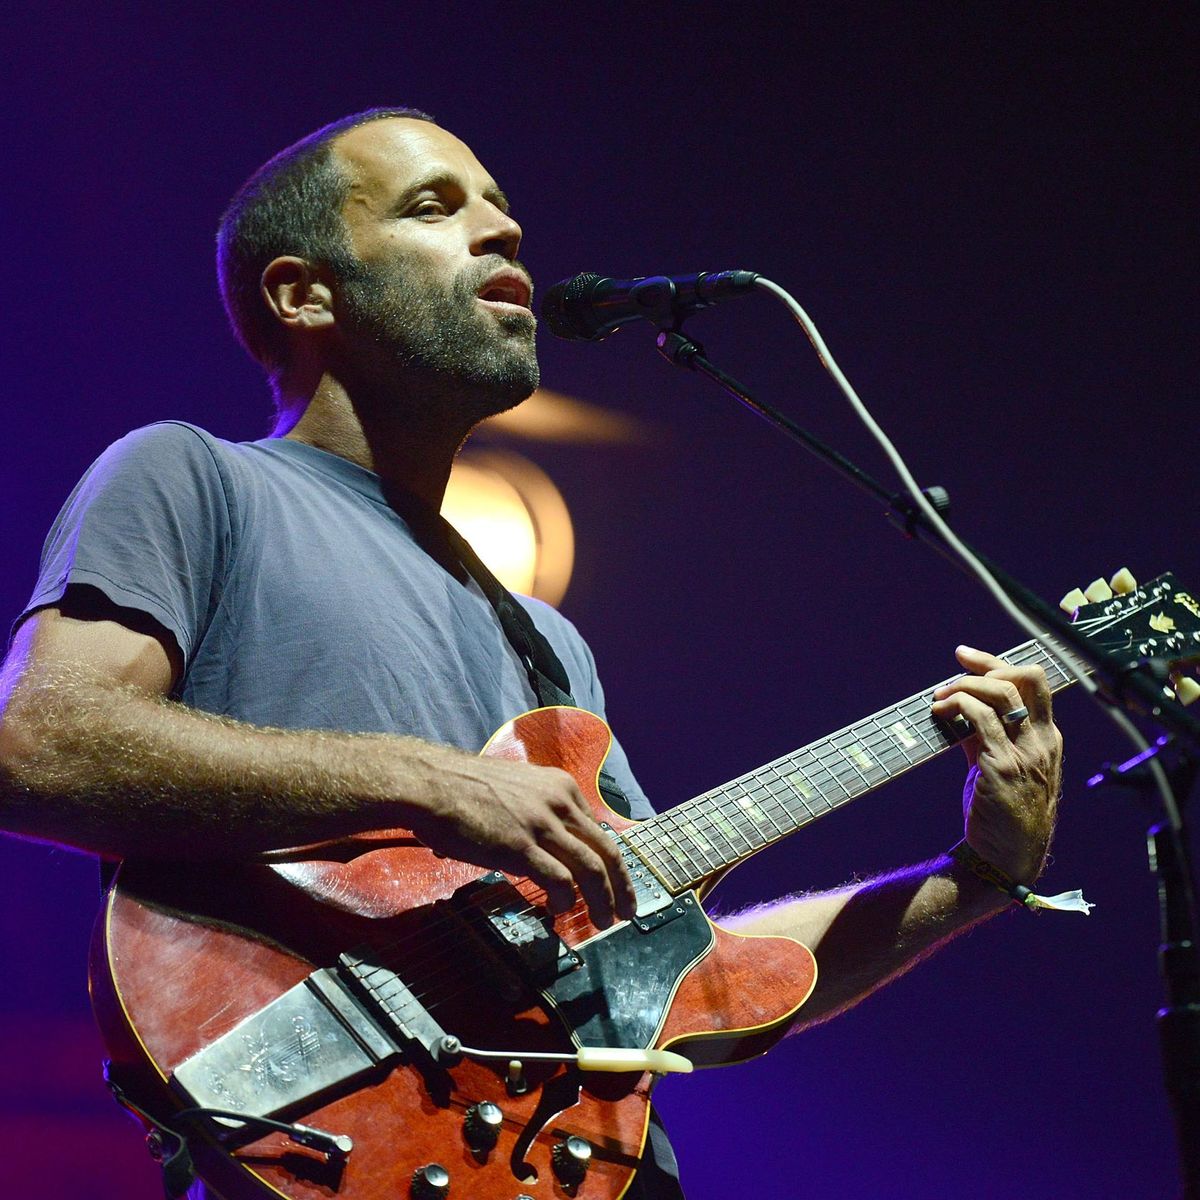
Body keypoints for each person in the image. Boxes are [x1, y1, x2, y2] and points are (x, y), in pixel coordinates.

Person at [0, 107, 1062, 1199]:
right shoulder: (194, 479)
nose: (503, 231)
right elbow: (37, 746)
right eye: (433, 207)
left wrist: (979, 876)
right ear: (303, 294)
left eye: (502, 207)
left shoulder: (548, 645)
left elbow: (697, 984)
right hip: (327, 1139)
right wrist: (427, 782)